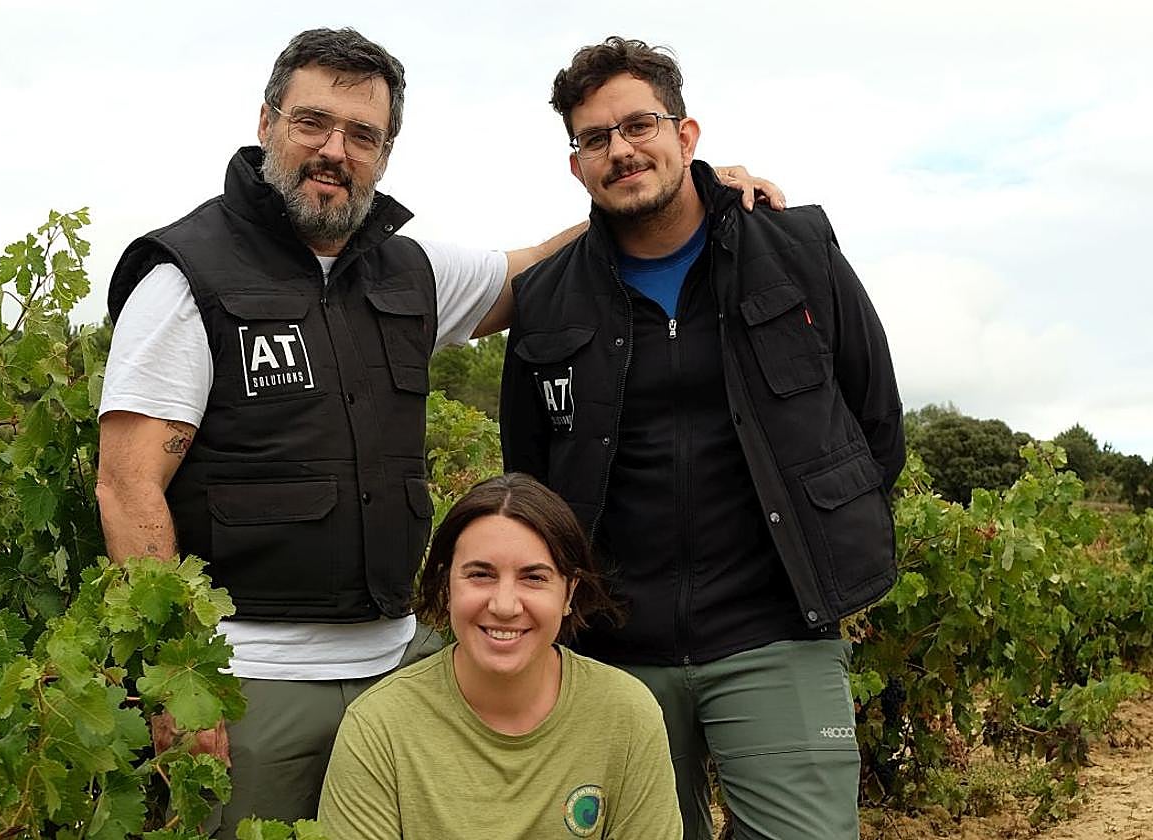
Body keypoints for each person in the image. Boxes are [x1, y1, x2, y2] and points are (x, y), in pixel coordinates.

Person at [95, 27, 779, 835]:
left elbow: (533, 269)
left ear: (386, 152)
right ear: (267, 121)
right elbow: (127, 485)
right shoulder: (186, 277)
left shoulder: (409, 272)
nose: (335, 151)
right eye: (313, 123)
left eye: (363, 135)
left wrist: (689, 193)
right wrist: (178, 679)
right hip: (251, 682)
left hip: (402, 670)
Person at [500, 37, 905, 840]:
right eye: (595, 138)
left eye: (639, 125)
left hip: (776, 632)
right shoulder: (545, 299)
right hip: (613, 653)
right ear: (577, 165)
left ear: (685, 136)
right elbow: (532, 475)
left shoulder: (797, 249)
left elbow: (877, 423)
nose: (621, 149)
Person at [318, 473, 681, 840]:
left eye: (534, 578)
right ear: (446, 586)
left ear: (569, 592)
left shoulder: (626, 714)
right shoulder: (379, 727)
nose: (505, 606)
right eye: (481, 574)